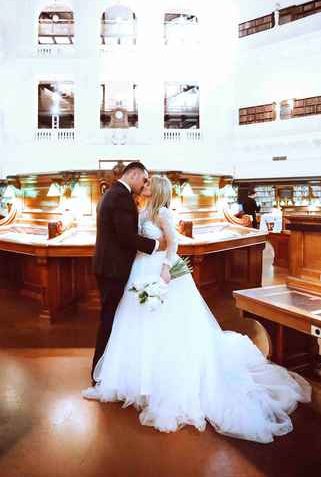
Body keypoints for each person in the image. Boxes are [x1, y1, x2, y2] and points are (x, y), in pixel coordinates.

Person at [82, 175, 311, 443]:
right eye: (142, 183)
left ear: (155, 189)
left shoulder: (164, 213)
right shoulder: (142, 210)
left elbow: (174, 244)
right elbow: (132, 238)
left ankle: (164, 381)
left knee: (169, 327)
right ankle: (136, 378)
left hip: (161, 271)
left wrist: (166, 269)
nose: (142, 186)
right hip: (140, 269)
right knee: (135, 323)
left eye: (146, 185)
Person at [89, 161, 167, 385]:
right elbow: (125, 237)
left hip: (108, 266)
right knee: (109, 319)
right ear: (133, 174)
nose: (145, 184)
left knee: (112, 318)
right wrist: (155, 246)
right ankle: (99, 372)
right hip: (113, 269)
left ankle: (107, 367)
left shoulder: (112, 193)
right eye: (144, 179)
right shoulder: (121, 196)